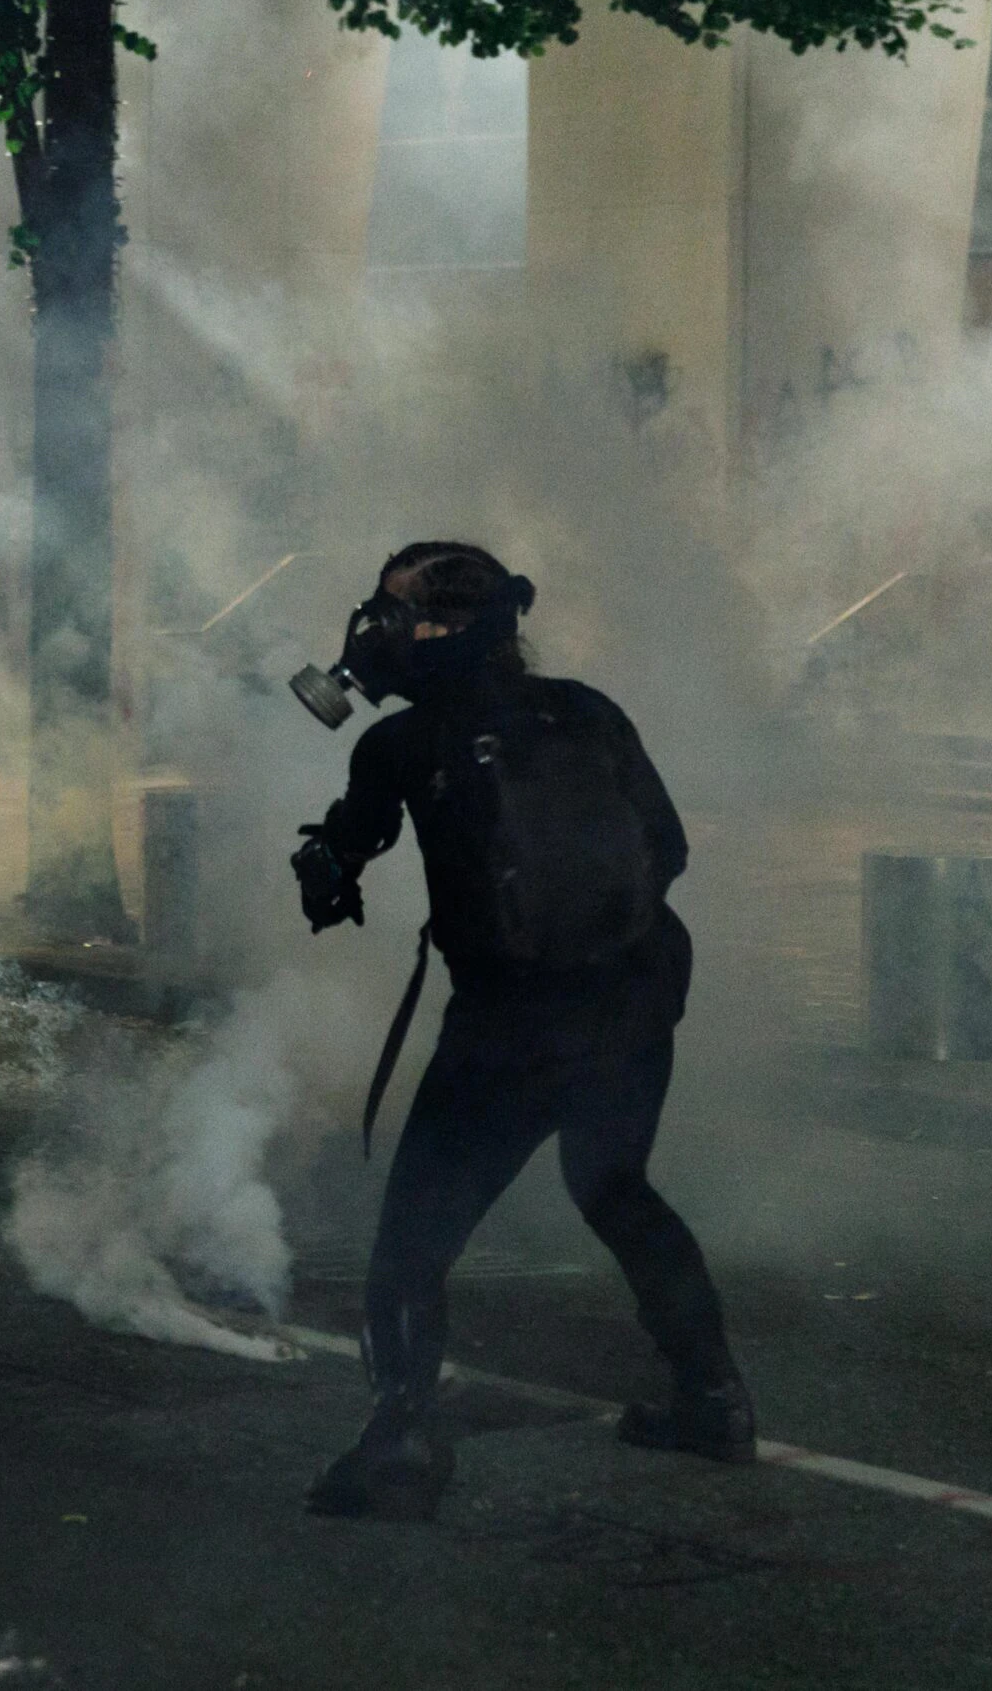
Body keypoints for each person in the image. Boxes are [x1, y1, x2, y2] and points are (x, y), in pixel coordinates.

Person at [293, 541, 753, 1521]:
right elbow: (666, 847)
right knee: (618, 1190)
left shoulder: (400, 746)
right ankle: (713, 1399)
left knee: (410, 1249)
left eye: (392, 613)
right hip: (633, 1005)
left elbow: (342, 860)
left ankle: (402, 1443)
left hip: (507, 1034)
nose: (373, 633)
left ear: (448, 628)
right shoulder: (587, 712)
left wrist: (323, 869)